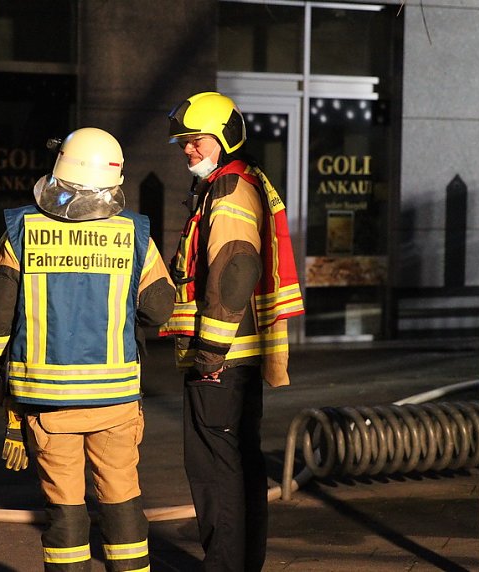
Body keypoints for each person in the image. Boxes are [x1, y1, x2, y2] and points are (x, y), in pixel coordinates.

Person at [0, 127, 175, 572]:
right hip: (117, 403)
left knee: (65, 510)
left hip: (49, 406)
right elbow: (160, 309)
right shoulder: (133, 233)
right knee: (122, 500)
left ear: (61, 167)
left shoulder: (22, 231)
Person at [159, 92, 305, 571]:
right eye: (184, 143)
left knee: (215, 474)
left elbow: (236, 267)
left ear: (224, 139)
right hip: (237, 356)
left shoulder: (228, 188)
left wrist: (209, 353)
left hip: (222, 359)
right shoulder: (243, 183)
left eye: (196, 141)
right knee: (240, 468)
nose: (187, 151)